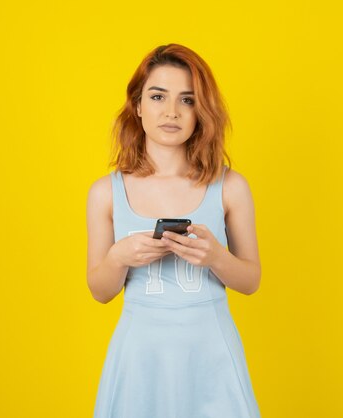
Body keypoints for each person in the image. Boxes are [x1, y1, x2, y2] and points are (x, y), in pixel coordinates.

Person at [86, 43, 261, 418]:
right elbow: (100, 291)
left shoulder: (230, 187)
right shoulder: (106, 193)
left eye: (187, 100)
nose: (171, 112)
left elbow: (250, 280)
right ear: (137, 105)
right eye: (157, 96)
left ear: (201, 111)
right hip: (139, 359)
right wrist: (118, 257)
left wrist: (216, 257)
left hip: (211, 355)